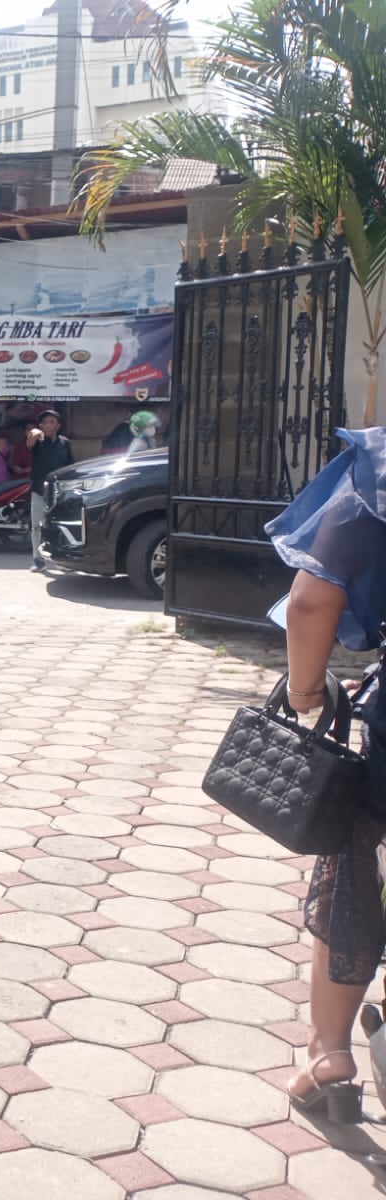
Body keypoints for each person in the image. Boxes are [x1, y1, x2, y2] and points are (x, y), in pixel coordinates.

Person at [265, 426, 386, 1123]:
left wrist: (305, 689)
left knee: (356, 873)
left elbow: (311, 600)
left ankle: (329, 1054)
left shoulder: (378, 466)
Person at [26, 408, 74, 570]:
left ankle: (63, 559)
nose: (47, 425)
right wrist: (34, 433)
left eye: (51, 422)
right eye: (44, 422)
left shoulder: (65, 443)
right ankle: (37, 559)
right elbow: (30, 441)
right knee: (36, 526)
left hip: (59, 492)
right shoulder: (37, 441)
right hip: (39, 490)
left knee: (60, 525)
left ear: (58, 426)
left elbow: (70, 466)